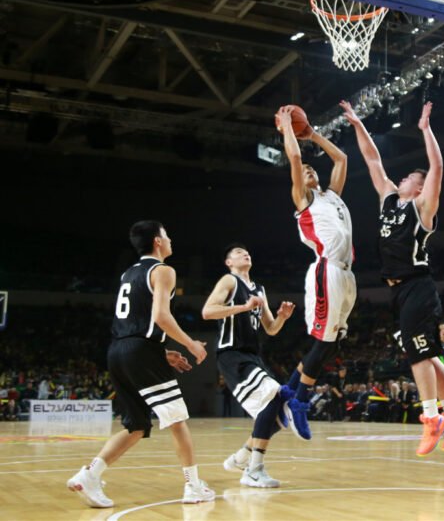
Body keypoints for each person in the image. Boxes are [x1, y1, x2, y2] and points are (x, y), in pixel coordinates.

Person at [341, 99, 444, 457]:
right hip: (397, 292)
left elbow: (438, 166)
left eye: (410, 178)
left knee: (418, 358)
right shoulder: (387, 199)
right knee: (428, 356)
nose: (402, 178)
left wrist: (426, 129)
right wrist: (356, 124)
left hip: (418, 286)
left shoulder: (423, 208)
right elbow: (371, 159)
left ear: (418, 187)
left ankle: (432, 418)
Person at [67, 221, 214, 508]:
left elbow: (137, 322)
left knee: (136, 425)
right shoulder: (163, 271)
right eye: (167, 235)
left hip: (118, 350)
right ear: (158, 241)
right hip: (139, 351)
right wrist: (190, 343)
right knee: (176, 419)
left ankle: (90, 475)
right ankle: (193, 486)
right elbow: (160, 316)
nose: (171, 240)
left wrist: (161, 353)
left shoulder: (128, 273)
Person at [276, 106, 357, 441]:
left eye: (312, 168)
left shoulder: (332, 196)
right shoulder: (303, 201)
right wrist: (288, 133)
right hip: (326, 271)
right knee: (322, 341)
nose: (308, 170)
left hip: (347, 274)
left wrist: (312, 135)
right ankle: (300, 403)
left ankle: (287, 393)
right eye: (304, 170)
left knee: (331, 344)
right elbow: (295, 161)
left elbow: (341, 160)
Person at [201, 243, 296, 488]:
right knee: (277, 394)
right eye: (237, 252)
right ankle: (254, 469)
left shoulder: (259, 290)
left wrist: (282, 318)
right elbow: (208, 311)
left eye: (247, 252)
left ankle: (241, 457)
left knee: (279, 414)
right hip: (232, 354)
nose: (245, 253)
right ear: (229, 262)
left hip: (253, 356)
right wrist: (243, 307)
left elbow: (271, 329)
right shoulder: (229, 281)